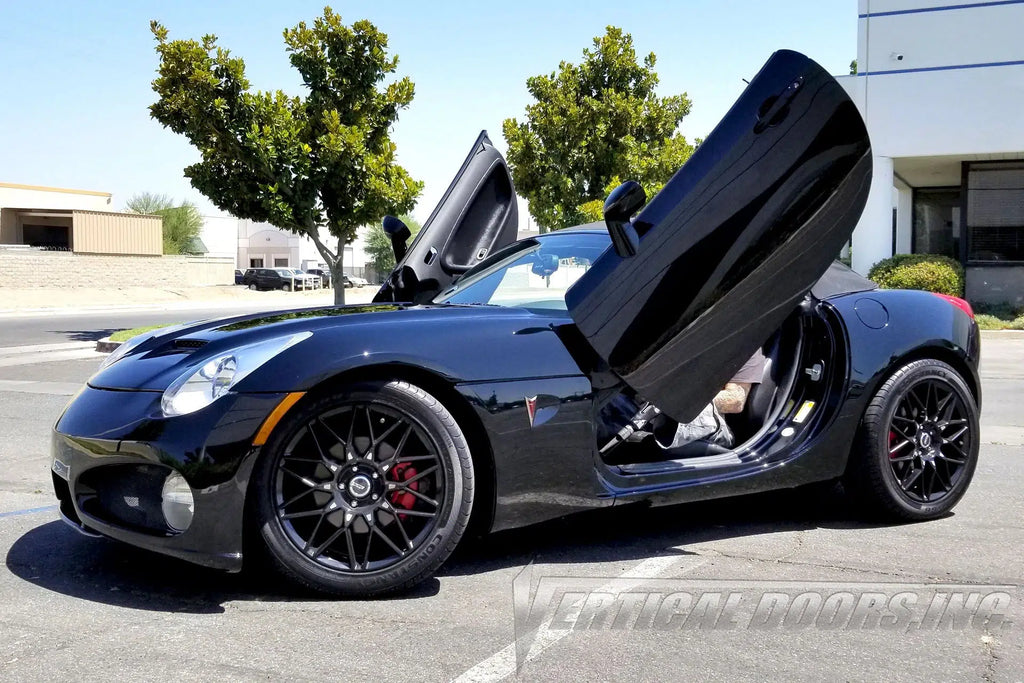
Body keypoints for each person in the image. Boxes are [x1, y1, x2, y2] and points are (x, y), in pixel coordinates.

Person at [599, 349, 767, 454]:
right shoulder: (686, 336)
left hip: (699, 416)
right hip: (644, 404)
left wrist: (676, 402)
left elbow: (735, 401)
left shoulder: (746, 346)